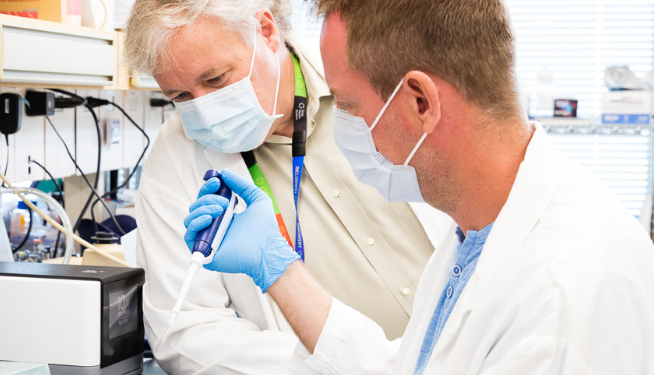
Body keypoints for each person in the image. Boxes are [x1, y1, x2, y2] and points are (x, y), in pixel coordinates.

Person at [183, 0, 654, 374]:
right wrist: (278, 269)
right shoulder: (478, 232)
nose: (342, 124)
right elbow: (404, 366)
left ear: (420, 102)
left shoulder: (555, 295)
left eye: (347, 106)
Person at [123, 0, 451, 373]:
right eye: (180, 96)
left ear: (266, 31)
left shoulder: (374, 80)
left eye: (216, 79)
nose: (205, 107)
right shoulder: (177, 154)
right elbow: (184, 331)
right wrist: (330, 364)